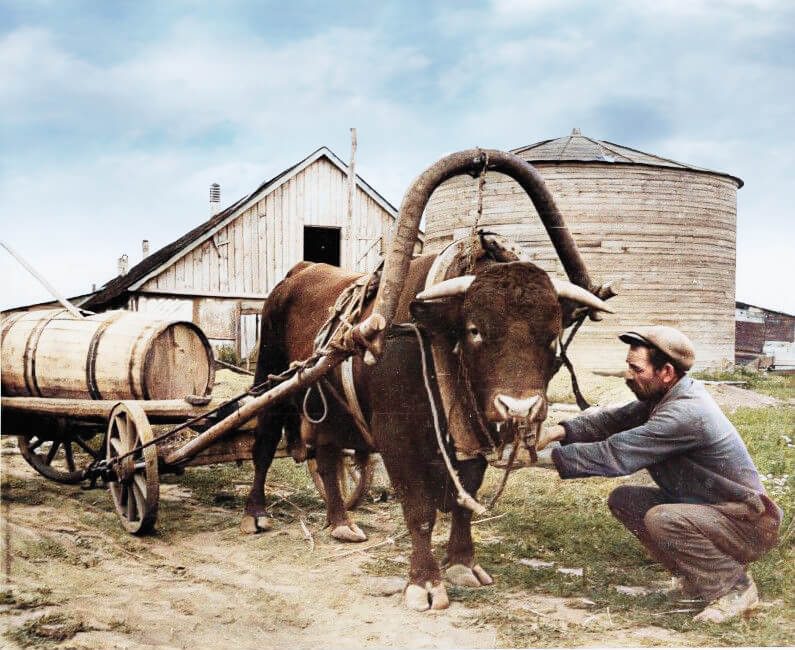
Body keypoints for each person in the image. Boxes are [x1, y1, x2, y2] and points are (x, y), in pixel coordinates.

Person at [535, 325, 782, 623]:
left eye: (636, 368)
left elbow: (614, 453)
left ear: (666, 371)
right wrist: (553, 432)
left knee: (662, 518)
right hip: (714, 512)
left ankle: (735, 589)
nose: (628, 375)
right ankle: (696, 580)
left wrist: (530, 459)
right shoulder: (664, 397)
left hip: (748, 521)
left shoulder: (684, 413)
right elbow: (611, 421)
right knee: (626, 499)